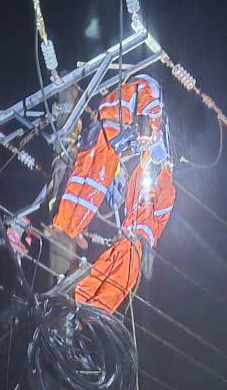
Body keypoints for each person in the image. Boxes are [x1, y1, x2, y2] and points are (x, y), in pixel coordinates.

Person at [51, 73, 175, 313]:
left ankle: (67, 231)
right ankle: (88, 307)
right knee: (92, 186)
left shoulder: (127, 94)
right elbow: (157, 191)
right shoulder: (146, 96)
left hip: (101, 132)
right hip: (132, 241)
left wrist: (154, 158)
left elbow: (146, 191)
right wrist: (159, 150)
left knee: (84, 182)